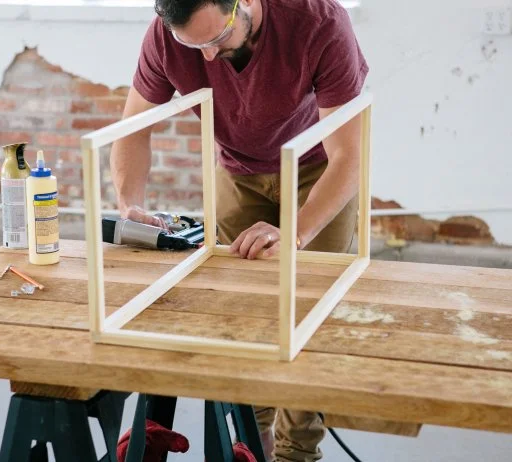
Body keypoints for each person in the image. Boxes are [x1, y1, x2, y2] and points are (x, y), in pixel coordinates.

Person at [110, 0, 369, 460]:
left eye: (215, 41)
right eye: (193, 45)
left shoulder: (319, 23)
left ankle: (297, 453)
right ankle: (253, 443)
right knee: (243, 316)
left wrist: (295, 233)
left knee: (308, 315)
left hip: (317, 169)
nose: (206, 57)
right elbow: (134, 129)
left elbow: (350, 154)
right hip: (237, 170)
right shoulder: (165, 36)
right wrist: (130, 204)